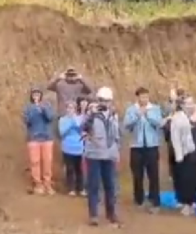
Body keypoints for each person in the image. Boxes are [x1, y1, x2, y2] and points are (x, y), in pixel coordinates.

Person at [84, 87, 121, 226]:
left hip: (109, 154)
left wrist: (117, 151)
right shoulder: (91, 113)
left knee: (110, 185)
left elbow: (117, 134)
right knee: (94, 185)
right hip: (94, 154)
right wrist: (90, 115)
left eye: (107, 101)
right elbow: (83, 127)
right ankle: (93, 215)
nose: (104, 103)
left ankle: (111, 213)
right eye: (102, 100)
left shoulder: (114, 115)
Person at [123, 87, 162, 211]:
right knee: (137, 174)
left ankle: (154, 200)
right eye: (142, 97)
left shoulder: (155, 108)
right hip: (136, 146)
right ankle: (139, 199)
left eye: (146, 96)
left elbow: (159, 123)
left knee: (153, 174)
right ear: (138, 97)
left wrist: (148, 115)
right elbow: (126, 125)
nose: (144, 99)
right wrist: (137, 116)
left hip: (152, 146)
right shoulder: (131, 109)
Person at [24, 87, 56, 194]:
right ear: (32, 96)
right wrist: (34, 110)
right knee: (35, 162)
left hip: (46, 138)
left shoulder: (47, 106)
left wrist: (43, 109)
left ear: (41, 95)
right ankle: (38, 184)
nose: (36, 96)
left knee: (47, 161)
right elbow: (27, 121)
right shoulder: (28, 108)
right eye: (34, 94)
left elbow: (50, 117)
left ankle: (48, 184)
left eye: (38, 94)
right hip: (33, 138)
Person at [58, 100, 85, 196]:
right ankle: (71, 189)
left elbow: (83, 131)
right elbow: (62, 132)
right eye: (68, 108)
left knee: (79, 169)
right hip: (67, 147)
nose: (70, 110)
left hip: (78, 147)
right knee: (70, 169)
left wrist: (78, 125)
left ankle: (81, 188)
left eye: (72, 108)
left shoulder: (79, 118)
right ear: (66, 109)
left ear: (75, 109)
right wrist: (70, 124)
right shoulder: (62, 119)